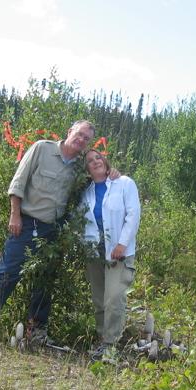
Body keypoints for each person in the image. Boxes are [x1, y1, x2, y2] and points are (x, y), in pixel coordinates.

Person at [0, 120, 104, 347]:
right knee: (6, 275)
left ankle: (36, 332)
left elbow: (97, 174)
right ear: (69, 132)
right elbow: (18, 182)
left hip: (54, 230)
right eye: (79, 134)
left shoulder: (79, 165)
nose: (82, 140)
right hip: (25, 225)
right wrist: (14, 215)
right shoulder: (41, 149)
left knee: (44, 282)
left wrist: (112, 171)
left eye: (87, 138)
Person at [81, 149, 141, 363]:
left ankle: (110, 346)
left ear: (105, 161)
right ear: (86, 168)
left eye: (98, 157)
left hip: (119, 253)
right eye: (89, 160)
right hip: (93, 251)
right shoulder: (85, 191)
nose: (95, 161)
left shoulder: (123, 183)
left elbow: (133, 215)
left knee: (114, 298)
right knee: (99, 300)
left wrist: (122, 244)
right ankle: (101, 341)